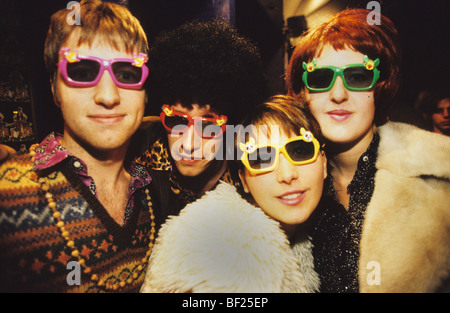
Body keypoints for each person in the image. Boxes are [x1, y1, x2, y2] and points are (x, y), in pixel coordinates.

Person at [286, 8, 450, 292]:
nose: (338, 94)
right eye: (321, 78)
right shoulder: (280, 180)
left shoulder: (440, 177)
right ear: (304, 92)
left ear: (381, 86)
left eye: (358, 76)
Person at [0, 0, 154, 292]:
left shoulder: (152, 193)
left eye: (127, 73)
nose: (108, 96)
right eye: (82, 72)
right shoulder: (8, 197)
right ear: (54, 88)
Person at [141, 95, 327, 292]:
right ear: (243, 179)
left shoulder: (308, 235)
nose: (287, 175)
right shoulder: (223, 248)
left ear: (324, 163)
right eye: (263, 158)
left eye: (300, 151)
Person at [132, 20, 268, 219]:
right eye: (177, 121)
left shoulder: (253, 177)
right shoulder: (137, 150)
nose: (187, 145)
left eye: (208, 127)